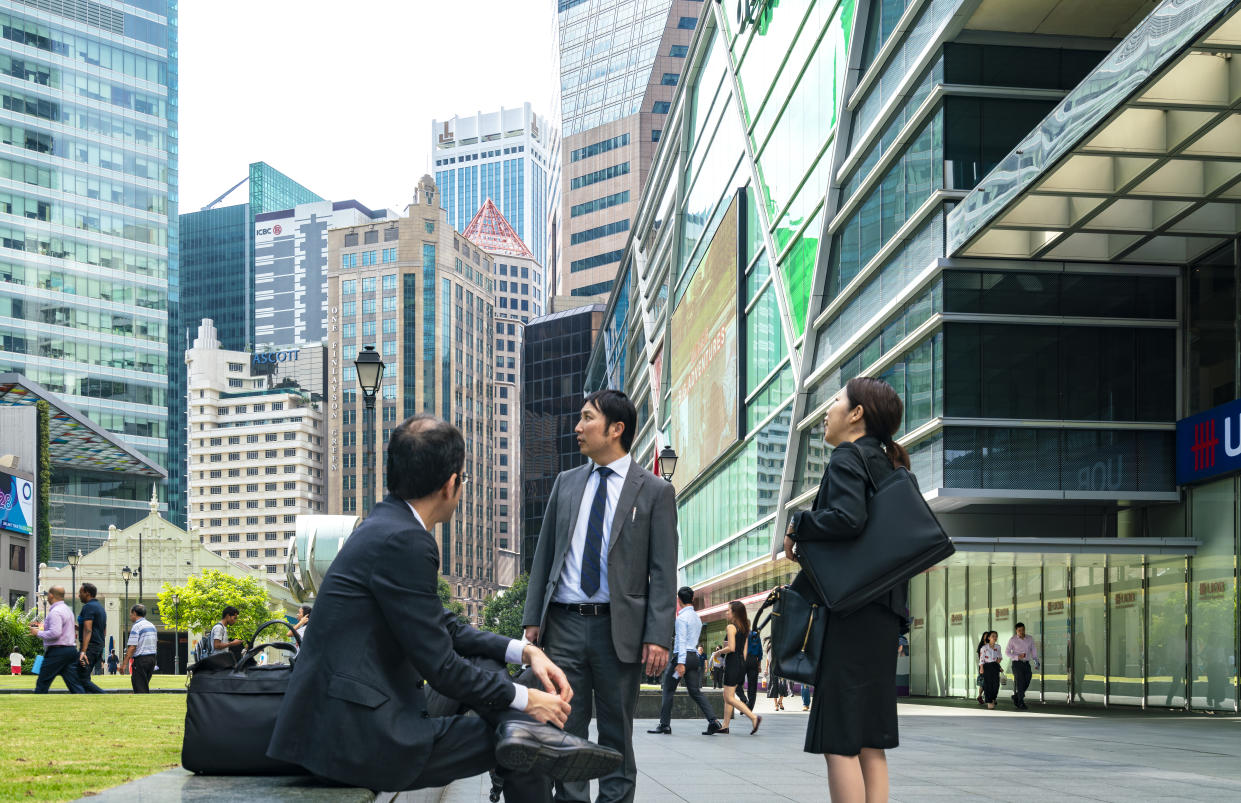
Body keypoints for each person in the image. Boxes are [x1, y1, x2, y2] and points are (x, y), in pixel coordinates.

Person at [268, 415, 621, 798]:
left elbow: (445, 627)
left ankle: (532, 734)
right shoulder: (404, 541)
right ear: (452, 484)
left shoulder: (387, 527)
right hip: (356, 741)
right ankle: (539, 738)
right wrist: (526, 698)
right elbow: (441, 667)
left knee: (497, 687)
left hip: (344, 720)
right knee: (524, 743)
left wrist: (525, 649)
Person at [522, 389, 678, 803]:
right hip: (564, 626)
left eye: (586, 418)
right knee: (565, 732)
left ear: (616, 429)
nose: (577, 427)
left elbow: (663, 570)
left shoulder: (655, 492)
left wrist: (658, 635)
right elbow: (545, 555)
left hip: (619, 630)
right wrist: (532, 619)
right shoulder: (566, 482)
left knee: (615, 736)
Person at [783, 377, 912, 802]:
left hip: (849, 615)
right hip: (882, 617)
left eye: (836, 400)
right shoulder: (889, 464)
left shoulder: (847, 457)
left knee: (838, 739)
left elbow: (847, 519)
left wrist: (799, 524)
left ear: (857, 414)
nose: (827, 409)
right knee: (869, 741)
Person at [648, 586, 720, 736]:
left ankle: (664, 725)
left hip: (683, 659)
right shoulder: (697, 618)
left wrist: (680, 663)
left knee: (668, 688)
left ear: (679, 600)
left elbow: (681, 642)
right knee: (695, 691)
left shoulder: (681, 618)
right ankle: (713, 721)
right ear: (692, 599)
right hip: (694, 658)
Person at [709, 601, 761, 735]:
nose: (727, 612)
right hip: (740, 662)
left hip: (733, 662)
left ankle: (753, 717)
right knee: (728, 696)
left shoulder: (731, 627)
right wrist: (741, 664)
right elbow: (744, 649)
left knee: (729, 697)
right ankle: (725, 726)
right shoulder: (745, 626)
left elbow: (731, 648)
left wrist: (718, 652)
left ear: (734, 613)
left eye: (728, 610)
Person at [30, 586, 84, 693]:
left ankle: (36, 705)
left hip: (57, 651)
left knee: (42, 683)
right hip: (70, 650)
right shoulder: (68, 610)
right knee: (74, 684)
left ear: (51, 595)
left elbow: (55, 633)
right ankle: (87, 704)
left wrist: (38, 633)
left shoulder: (55, 612)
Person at [75, 583, 106, 693]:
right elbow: (102, 630)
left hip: (90, 647)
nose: (79, 595)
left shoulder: (88, 607)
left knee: (81, 678)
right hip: (97, 646)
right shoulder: (100, 608)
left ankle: (105, 696)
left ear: (87, 593)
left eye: (81, 593)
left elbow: (88, 630)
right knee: (83, 677)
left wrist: (83, 651)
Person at [124, 604, 158, 693]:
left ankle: (144, 705)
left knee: (139, 686)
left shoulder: (136, 626)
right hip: (152, 659)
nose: (130, 616)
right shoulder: (152, 626)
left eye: (131, 614)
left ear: (134, 613)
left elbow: (132, 647)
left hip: (141, 659)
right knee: (144, 684)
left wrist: (124, 664)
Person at [1005, 622, 1037, 710]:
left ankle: (1016, 696)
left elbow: (1033, 650)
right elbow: (1007, 652)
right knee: (1020, 682)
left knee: (1028, 679)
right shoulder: (1012, 640)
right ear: (1016, 631)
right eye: (1019, 630)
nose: (1021, 632)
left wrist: (1036, 660)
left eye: (1023, 630)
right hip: (1017, 664)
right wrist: (1017, 657)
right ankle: (1020, 702)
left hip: (1026, 663)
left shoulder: (1029, 638)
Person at [739, 623, 762, 709]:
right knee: (752, 686)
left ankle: (744, 702)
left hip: (743, 659)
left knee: (738, 683)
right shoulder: (756, 635)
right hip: (753, 661)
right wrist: (759, 665)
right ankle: (749, 707)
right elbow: (760, 652)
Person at [979, 631, 1003, 710]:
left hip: (995, 666)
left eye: (996, 636)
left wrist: (997, 665)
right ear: (989, 638)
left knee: (996, 684)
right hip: (987, 666)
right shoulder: (984, 648)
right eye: (993, 636)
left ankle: (993, 698)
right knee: (988, 684)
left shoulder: (998, 647)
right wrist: (981, 668)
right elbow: (981, 659)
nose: (995, 638)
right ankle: (989, 701)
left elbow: (1000, 657)